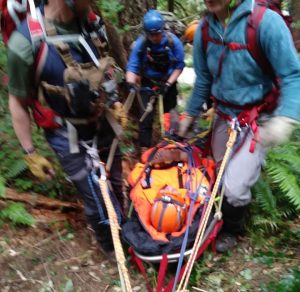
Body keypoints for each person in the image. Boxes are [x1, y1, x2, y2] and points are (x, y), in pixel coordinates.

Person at [7, 0, 128, 256]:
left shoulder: (91, 24)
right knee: (97, 199)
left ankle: (124, 228)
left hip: (103, 118)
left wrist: (115, 102)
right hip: (66, 133)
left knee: (116, 182)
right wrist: (30, 153)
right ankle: (111, 246)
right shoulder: (26, 42)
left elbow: (105, 68)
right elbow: (17, 102)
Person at [179, 0, 300, 252]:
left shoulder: (265, 23)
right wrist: (190, 115)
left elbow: (292, 74)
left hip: (258, 119)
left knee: (234, 187)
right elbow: (203, 79)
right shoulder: (204, 30)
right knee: (220, 173)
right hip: (224, 115)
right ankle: (224, 208)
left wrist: (286, 118)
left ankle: (233, 227)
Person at [126, 9, 185, 154]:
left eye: (157, 33)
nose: (154, 37)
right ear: (146, 33)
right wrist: (131, 83)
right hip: (148, 82)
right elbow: (132, 66)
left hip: (168, 82)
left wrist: (168, 84)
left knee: (170, 116)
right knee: (145, 118)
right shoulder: (142, 44)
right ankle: (144, 153)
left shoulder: (173, 42)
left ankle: (173, 147)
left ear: (163, 30)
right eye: (151, 34)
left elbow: (179, 66)